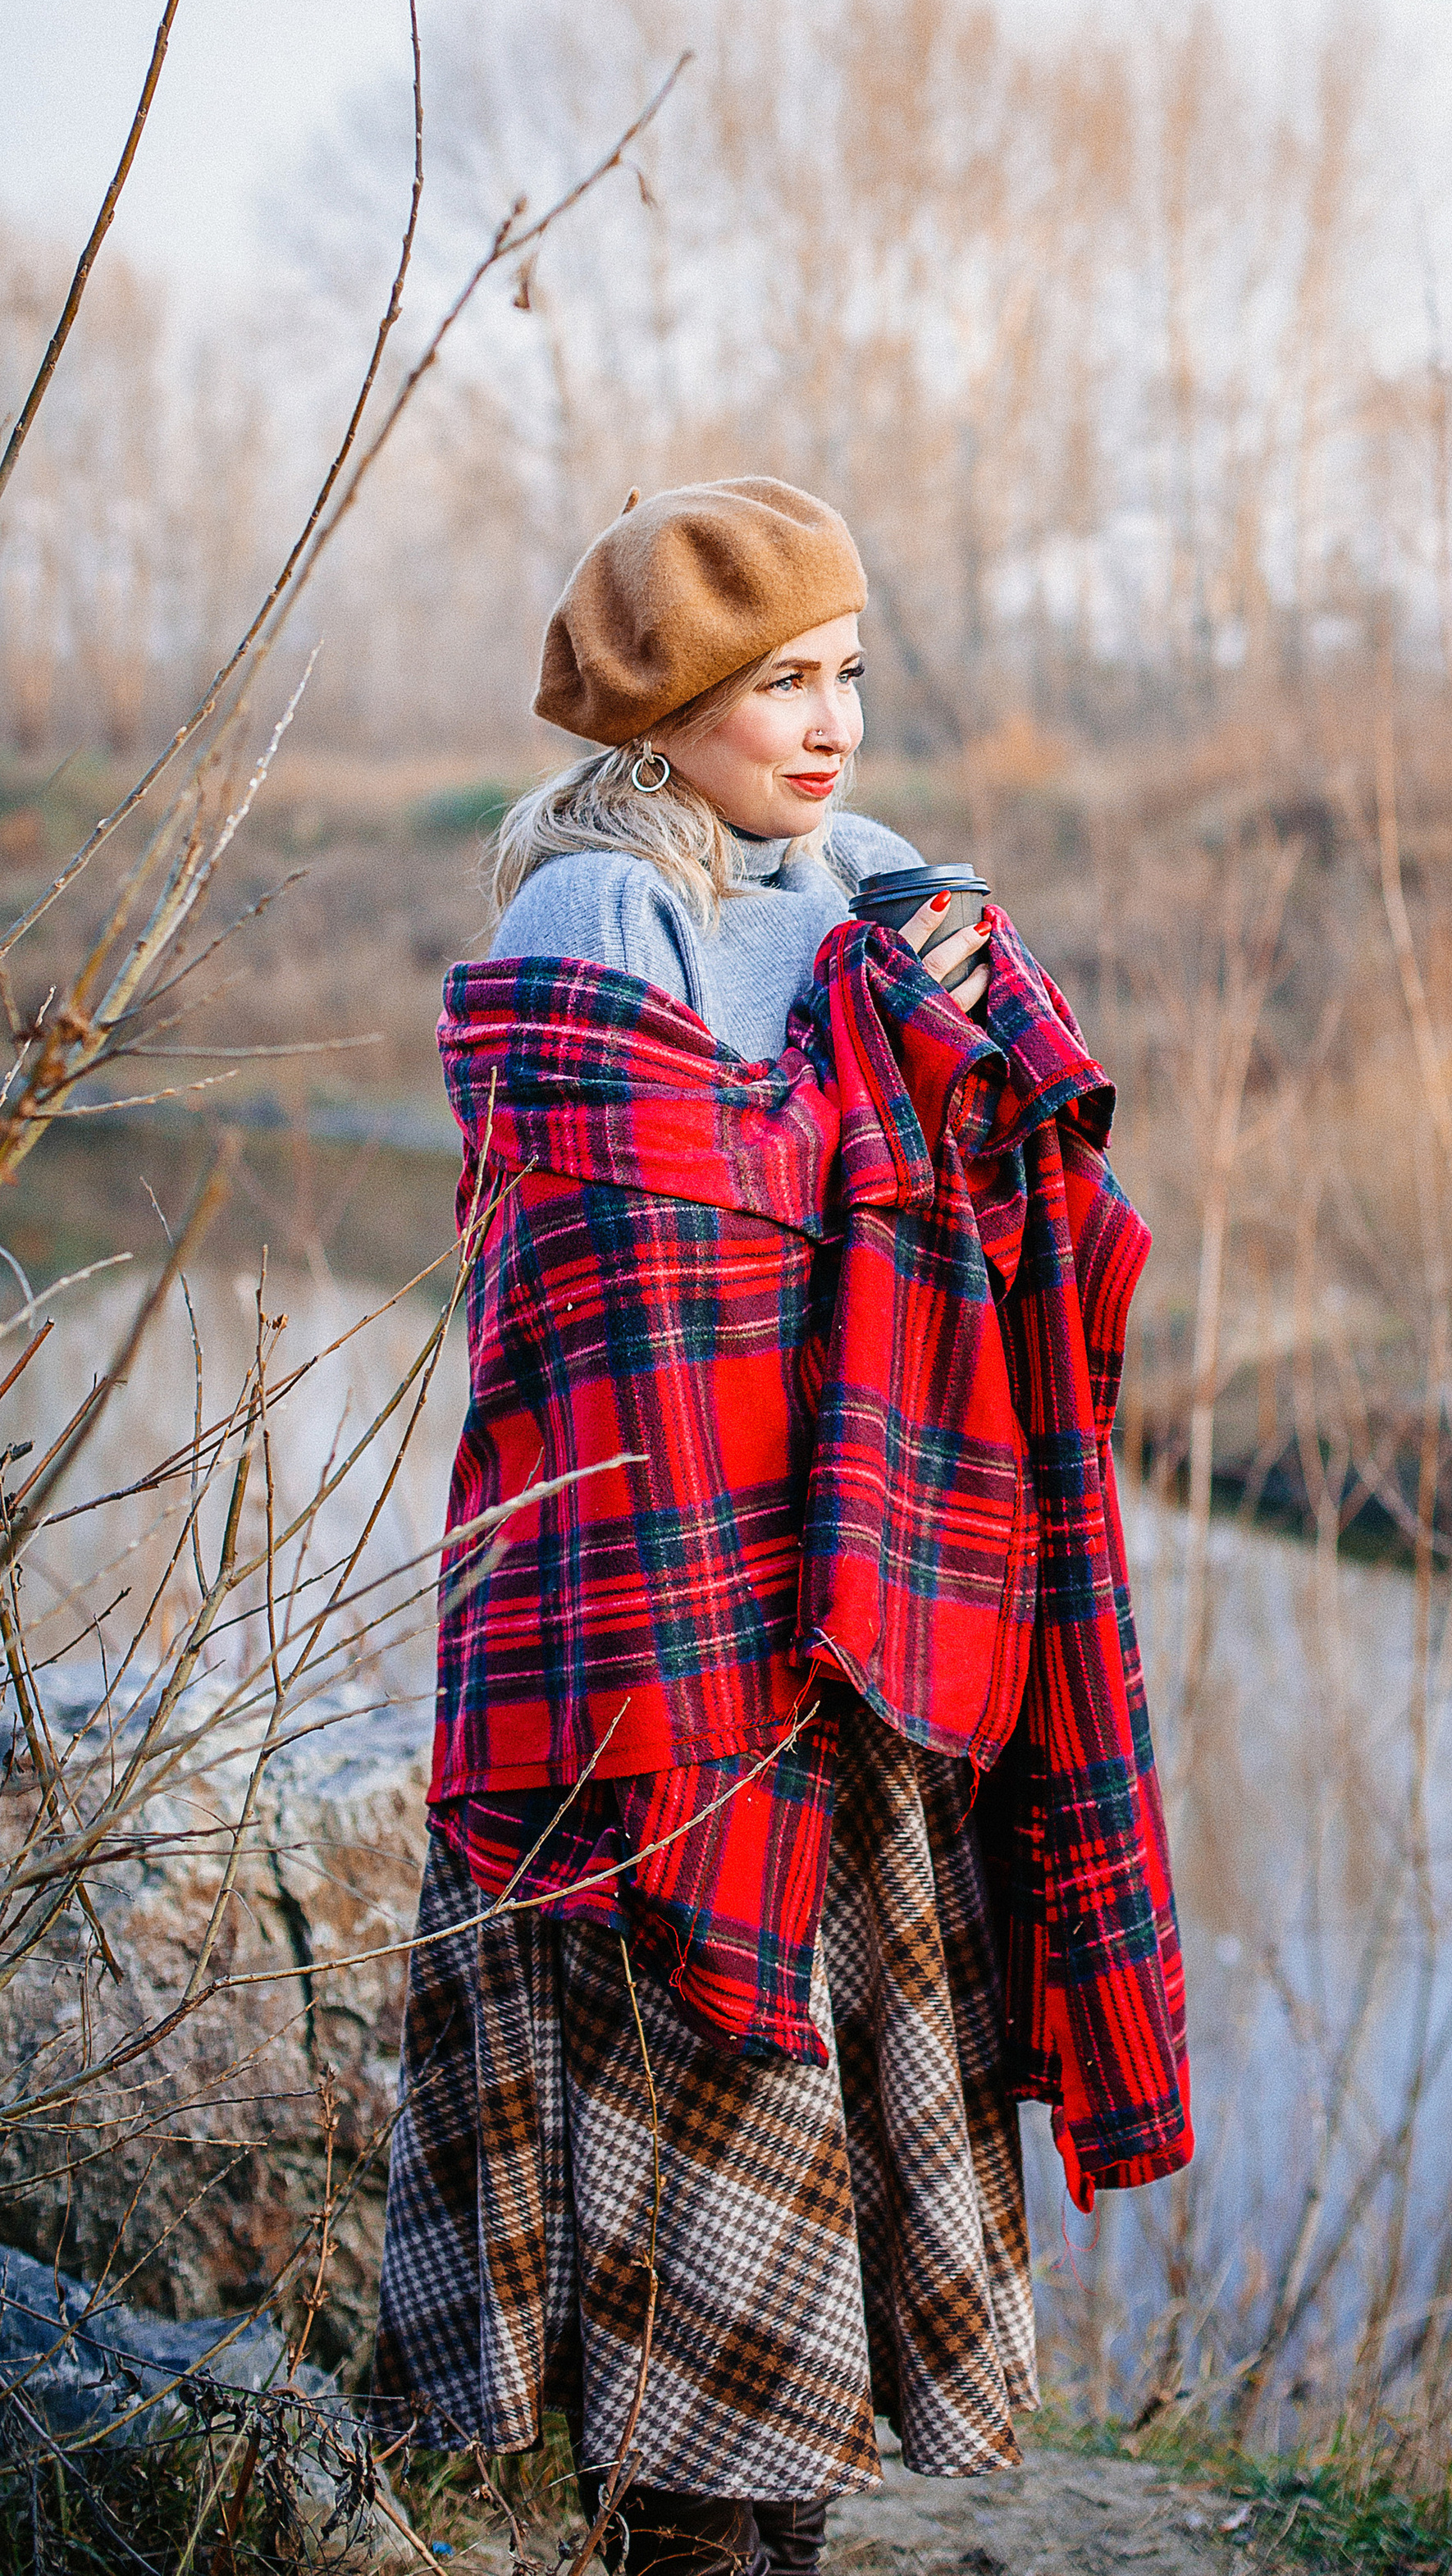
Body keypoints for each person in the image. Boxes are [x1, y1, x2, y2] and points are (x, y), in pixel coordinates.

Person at [373, 478, 1189, 2576]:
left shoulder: (887, 899)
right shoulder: (589, 915)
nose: (821, 725)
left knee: (822, 2109)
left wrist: (945, 1051)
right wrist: (869, 1074)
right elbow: (631, 1286)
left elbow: (1003, 1213)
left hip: (861, 1623)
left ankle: (779, 2527)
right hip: (653, 1627)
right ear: (661, 707)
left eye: (840, 675)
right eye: (769, 686)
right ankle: (682, 2531)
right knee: (686, 2105)